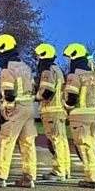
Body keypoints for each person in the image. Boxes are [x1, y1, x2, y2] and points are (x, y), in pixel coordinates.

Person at [0, 34, 37, 188]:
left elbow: (9, 94)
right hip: (28, 108)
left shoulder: (8, 69)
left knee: (6, 140)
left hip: (15, 109)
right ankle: (29, 177)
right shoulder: (26, 67)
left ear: (2, 49)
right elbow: (33, 87)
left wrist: (3, 113)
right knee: (27, 143)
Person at [63, 43, 95, 189]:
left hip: (79, 116)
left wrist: (66, 108)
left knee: (84, 148)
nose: (68, 61)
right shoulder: (93, 75)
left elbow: (72, 98)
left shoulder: (74, 75)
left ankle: (92, 179)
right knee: (92, 146)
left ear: (73, 56)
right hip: (92, 115)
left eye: (68, 57)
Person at [34, 43, 70, 181]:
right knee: (61, 141)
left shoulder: (47, 71)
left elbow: (47, 91)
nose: (37, 59)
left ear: (43, 55)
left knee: (55, 142)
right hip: (58, 111)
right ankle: (65, 169)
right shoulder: (57, 69)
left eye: (38, 56)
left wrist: (35, 96)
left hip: (51, 111)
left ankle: (58, 171)